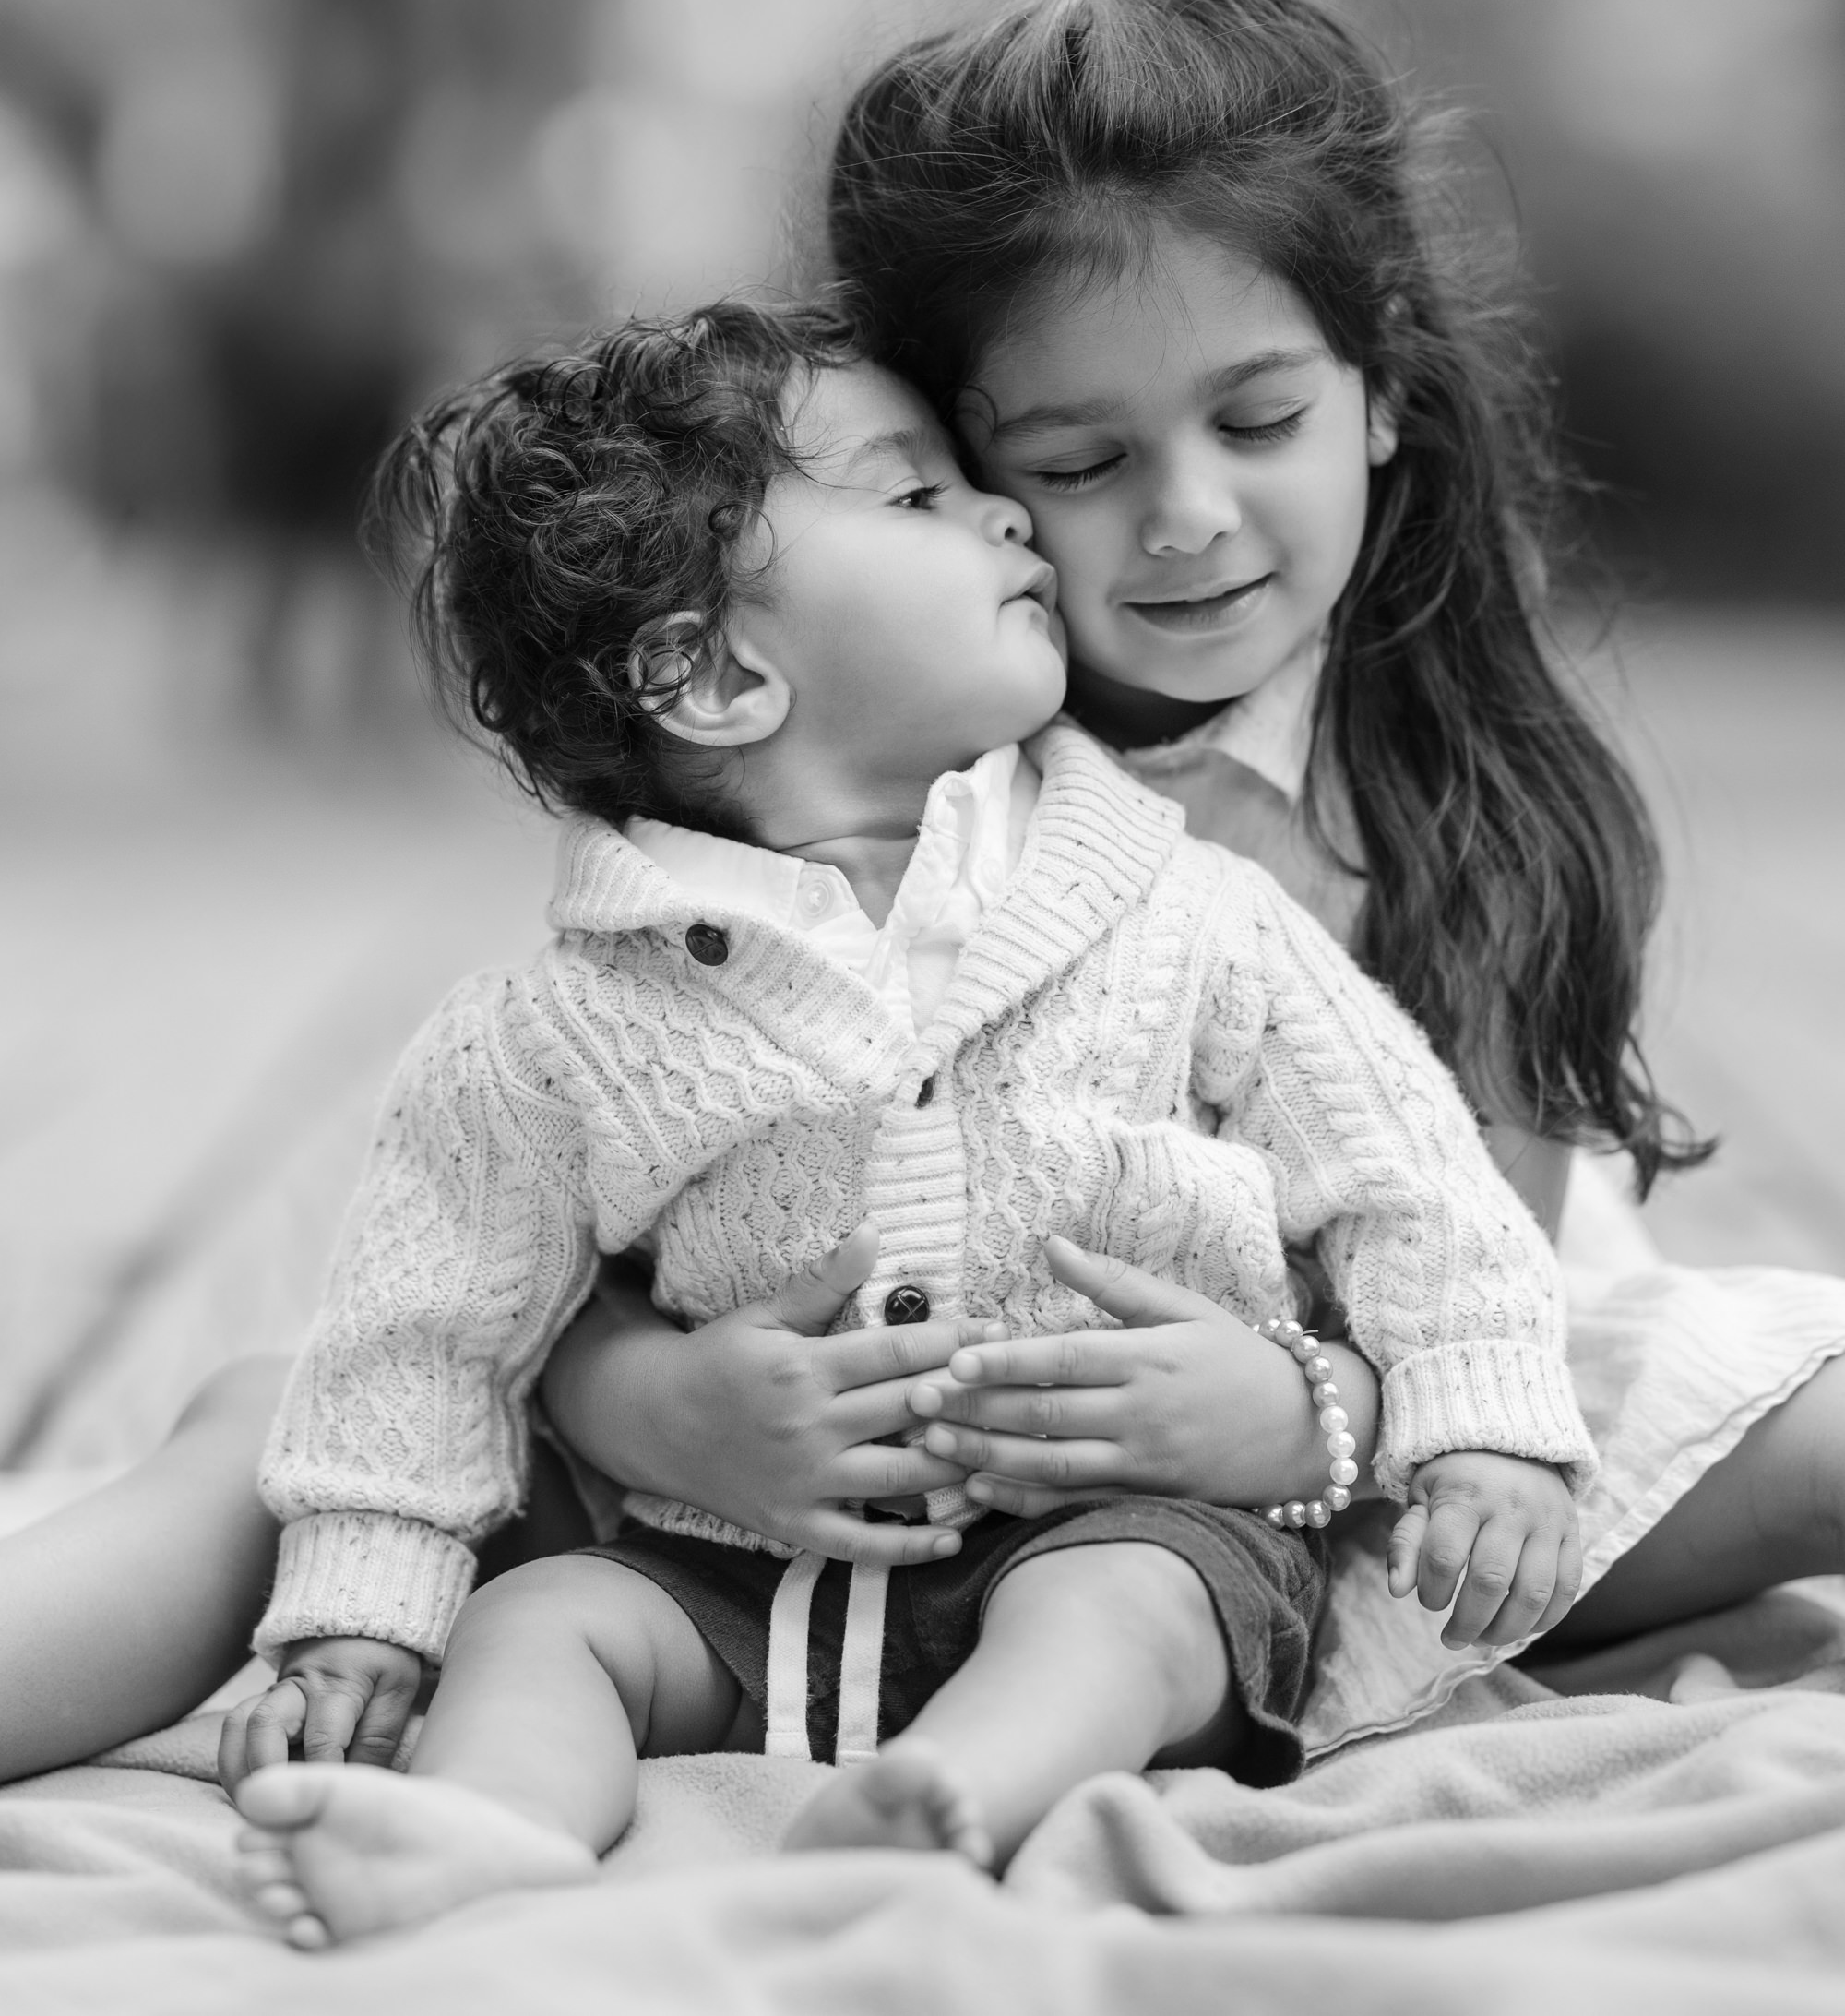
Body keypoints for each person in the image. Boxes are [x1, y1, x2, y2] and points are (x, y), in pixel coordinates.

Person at [534, 0, 1845, 1753]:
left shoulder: (1450, 792)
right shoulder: (866, 757)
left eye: (1258, 419)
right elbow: (559, 1217)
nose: (1187, 517)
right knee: (297, 1420)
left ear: (1379, 386)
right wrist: (653, 1410)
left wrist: (1301, 1417)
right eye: (1079, 463)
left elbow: (1477, 1299)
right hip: (888, 1479)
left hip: (1413, 1454)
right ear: (952, 465)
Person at [226, 301, 1589, 1942]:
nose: (1006, 514)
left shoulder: (1187, 916)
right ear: (717, 673)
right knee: (550, 1626)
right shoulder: (551, 1034)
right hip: (739, 1568)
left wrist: (1484, 1425)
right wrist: (362, 1612)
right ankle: (480, 1833)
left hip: (1125, 1519)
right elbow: (420, 1330)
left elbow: (1413, 1177)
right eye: (918, 496)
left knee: (1126, 1613)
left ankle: (950, 1801)